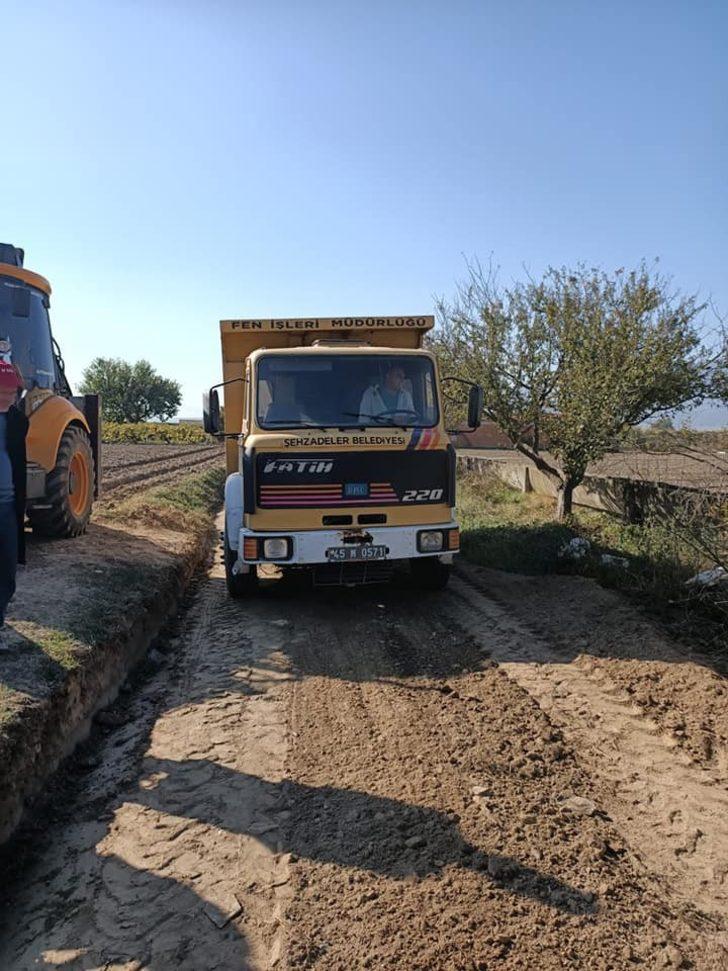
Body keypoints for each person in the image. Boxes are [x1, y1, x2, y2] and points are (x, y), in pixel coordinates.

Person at [0, 361, 26, 649]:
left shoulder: (16, 422)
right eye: (4, 391)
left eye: (13, 391)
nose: (9, 396)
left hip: (8, 506)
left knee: (7, 571)